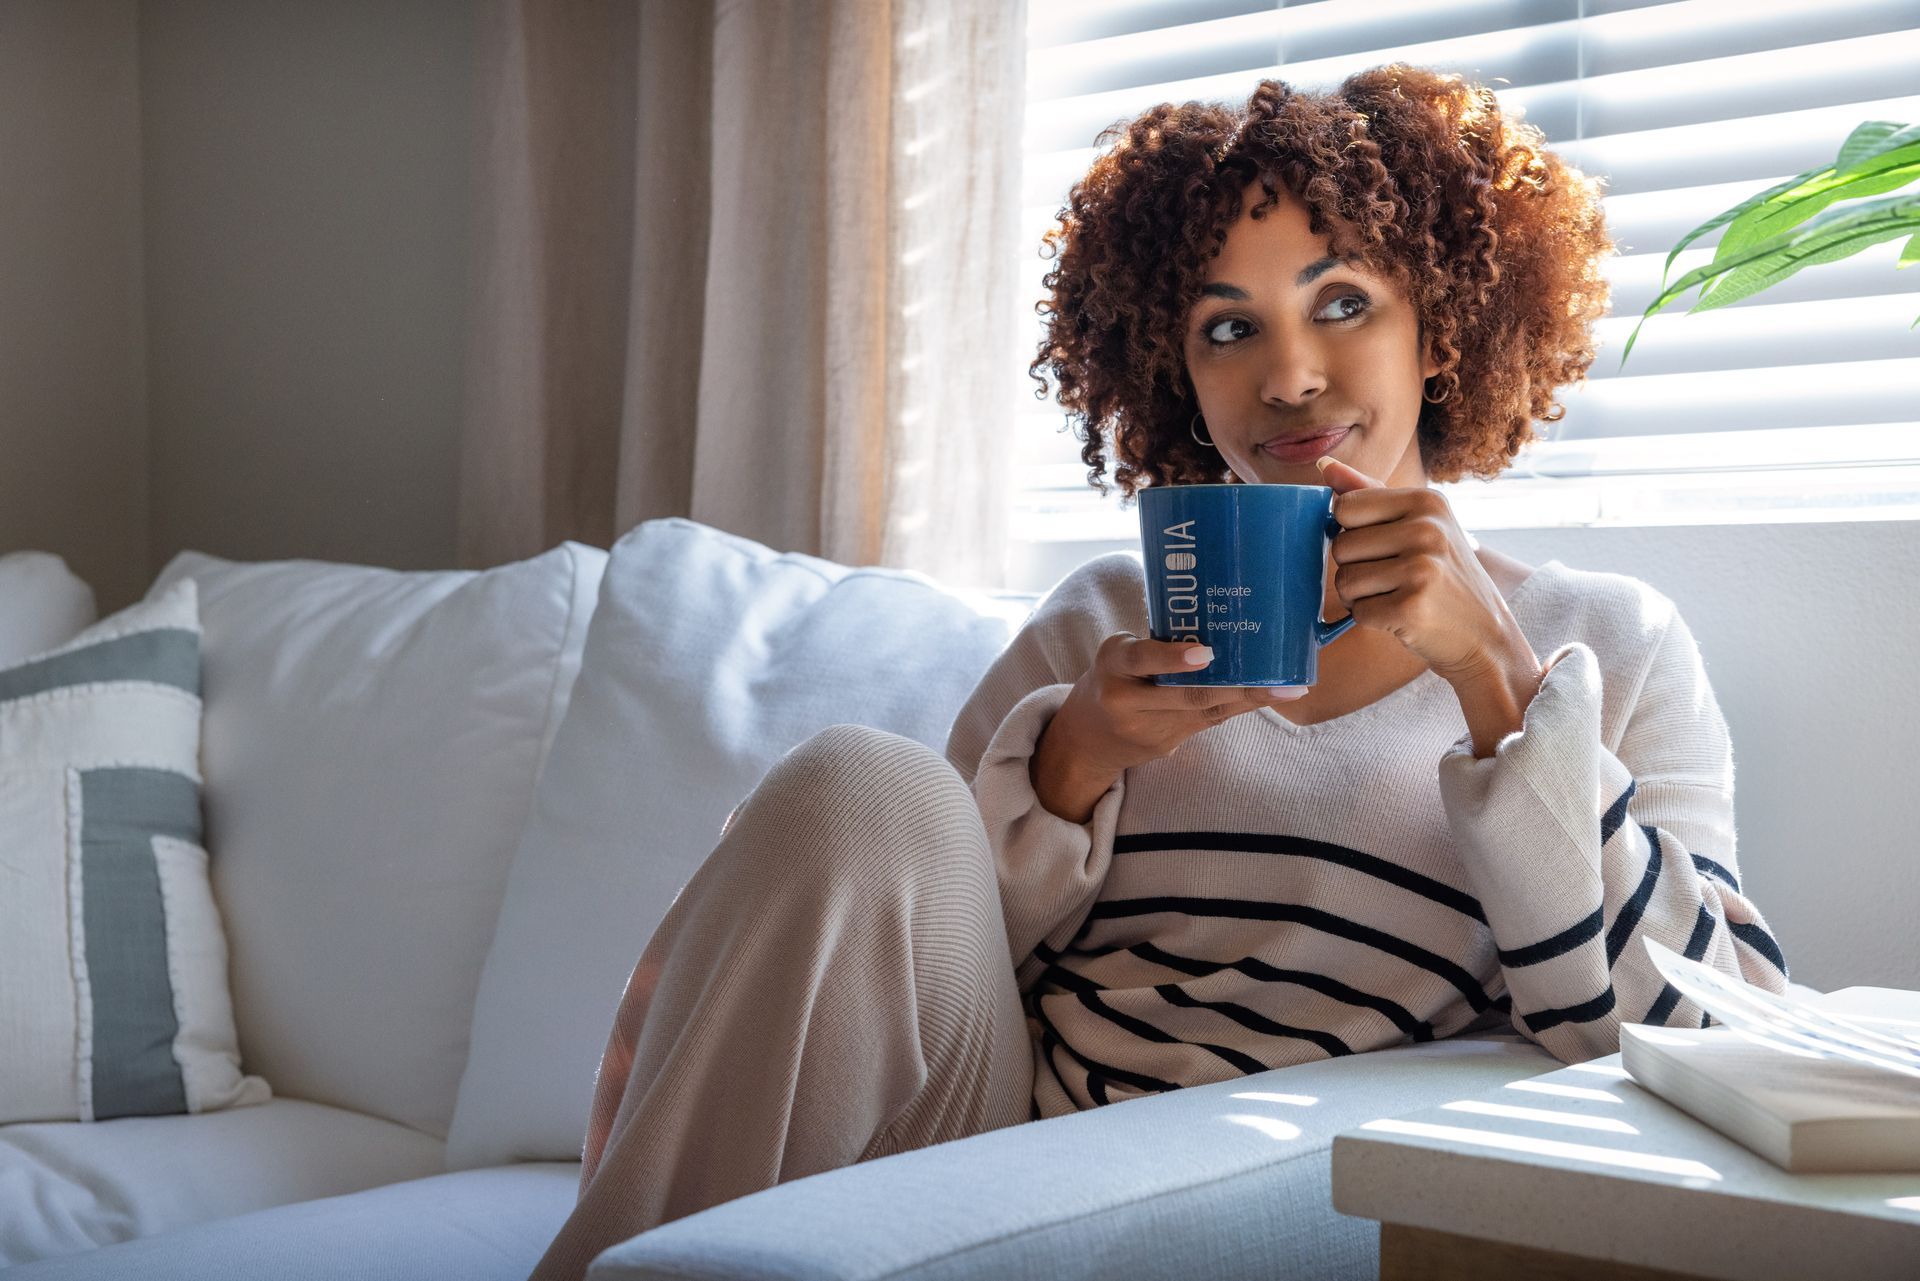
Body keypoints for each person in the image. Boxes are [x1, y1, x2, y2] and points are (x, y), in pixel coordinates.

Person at [527, 64, 1791, 1281]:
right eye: (1228, 327)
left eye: (1342, 302)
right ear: (1177, 376)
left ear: (1442, 330)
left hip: (1278, 1190)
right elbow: (906, 986)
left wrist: (1499, 686)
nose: (1288, 375)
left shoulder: (1605, 643)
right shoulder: (1100, 625)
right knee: (860, 782)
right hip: (981, 1154)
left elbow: (1715, 1041)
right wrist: (1070, 767)